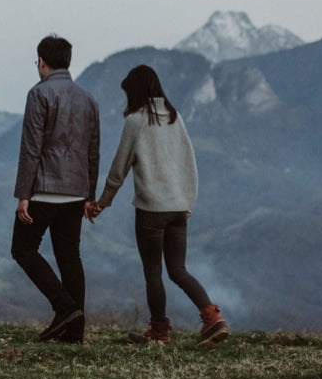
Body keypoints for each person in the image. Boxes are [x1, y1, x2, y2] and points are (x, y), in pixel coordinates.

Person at [87, 64, 230, 348]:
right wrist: (188, 202)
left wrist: (102, 202)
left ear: (136, 92)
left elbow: (119, 169)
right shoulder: (176, 119)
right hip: (179, 207)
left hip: (152, 210)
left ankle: (159, 331)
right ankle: (212, 317)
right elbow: (190, 165)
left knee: (153, 273)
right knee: (178, 270)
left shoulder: (136, 121)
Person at [10, 35, 100, 343]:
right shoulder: (88, 99)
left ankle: (64, 308)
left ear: (42, 63)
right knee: (69, 256)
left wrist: (24, 195)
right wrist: (90, 195)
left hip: (44, 190)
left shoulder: (39, 95)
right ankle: (74, 333)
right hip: (76, 191)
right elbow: (93, 151)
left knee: (22, 249)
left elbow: (31, 149)